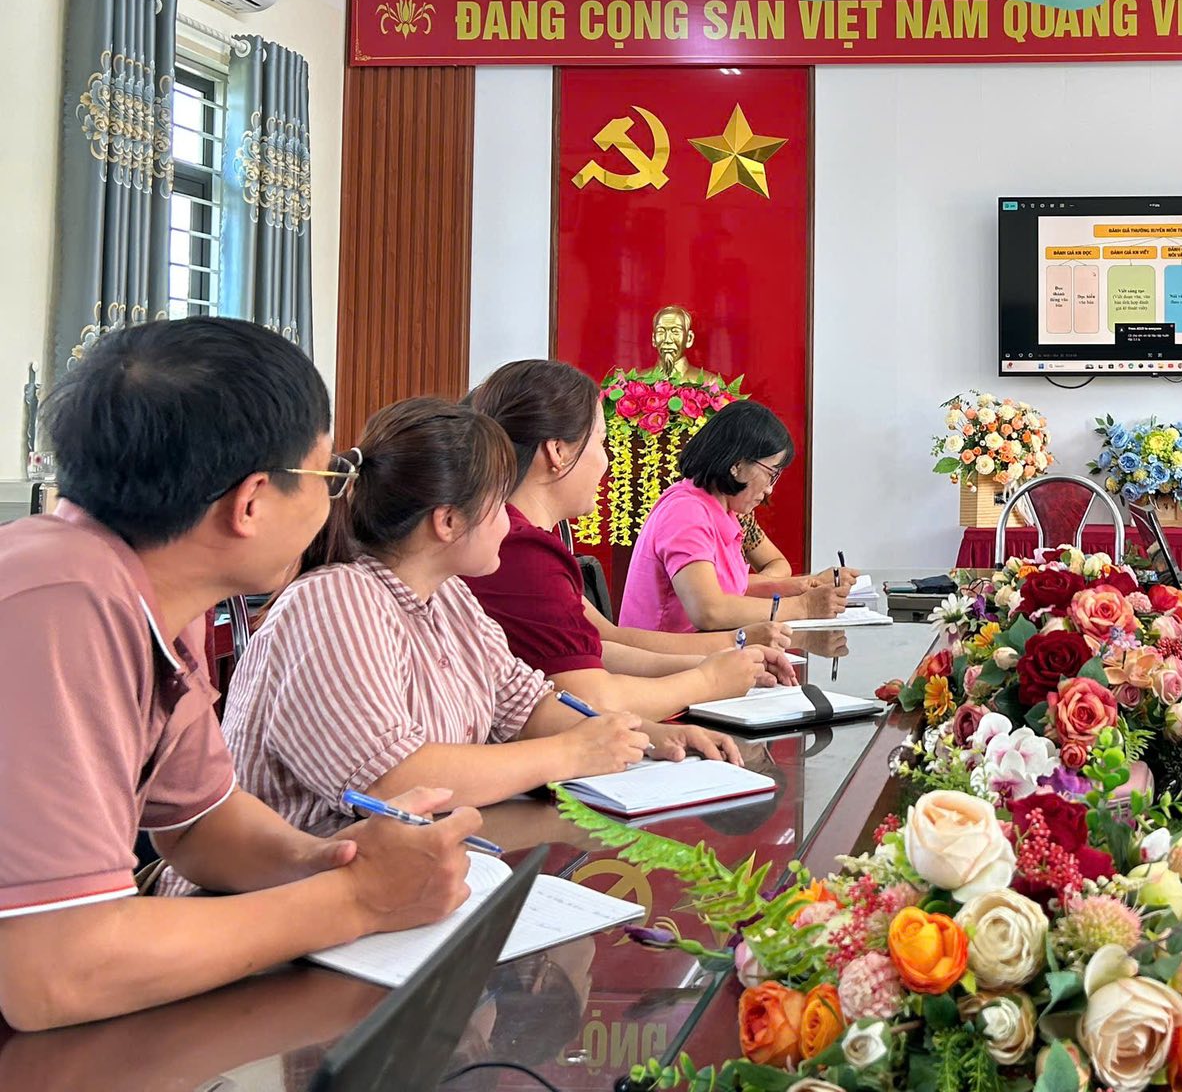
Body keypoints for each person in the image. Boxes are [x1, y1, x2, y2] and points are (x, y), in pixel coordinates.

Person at [0, 320, 473, 1031]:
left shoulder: (158, 595)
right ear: (251, 502)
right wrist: (359, 899)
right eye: (328, 476)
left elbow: (199, 822)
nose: (334, 501)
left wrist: (334, 859)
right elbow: (56, 972)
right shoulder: (60, 605)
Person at [211, 397, 708, 848]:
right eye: (498, 505)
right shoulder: (335, 602)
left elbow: (526, 704)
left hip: (398, 871)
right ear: (448, 522)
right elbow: (392, 781)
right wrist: (570, 754)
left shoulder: (448, 596)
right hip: (280, 891)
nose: (509, 522)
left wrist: (638, 734)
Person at [464, 359, 798, 720]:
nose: (606, 462)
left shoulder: (529, 541)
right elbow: (592, 695)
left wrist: (723, 658)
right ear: (557, 452)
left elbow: (602, 642)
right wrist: (709, 677)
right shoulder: (521, 550)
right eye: (601, 442)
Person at [618, 401, 853, 634]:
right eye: (771, 474)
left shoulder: (723, 512)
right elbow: (709, 610)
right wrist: (804, 606)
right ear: (737, 465)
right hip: (665, 655)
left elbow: (732, 590)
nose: (770, 489)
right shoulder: (685, 511)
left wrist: (800, 587)